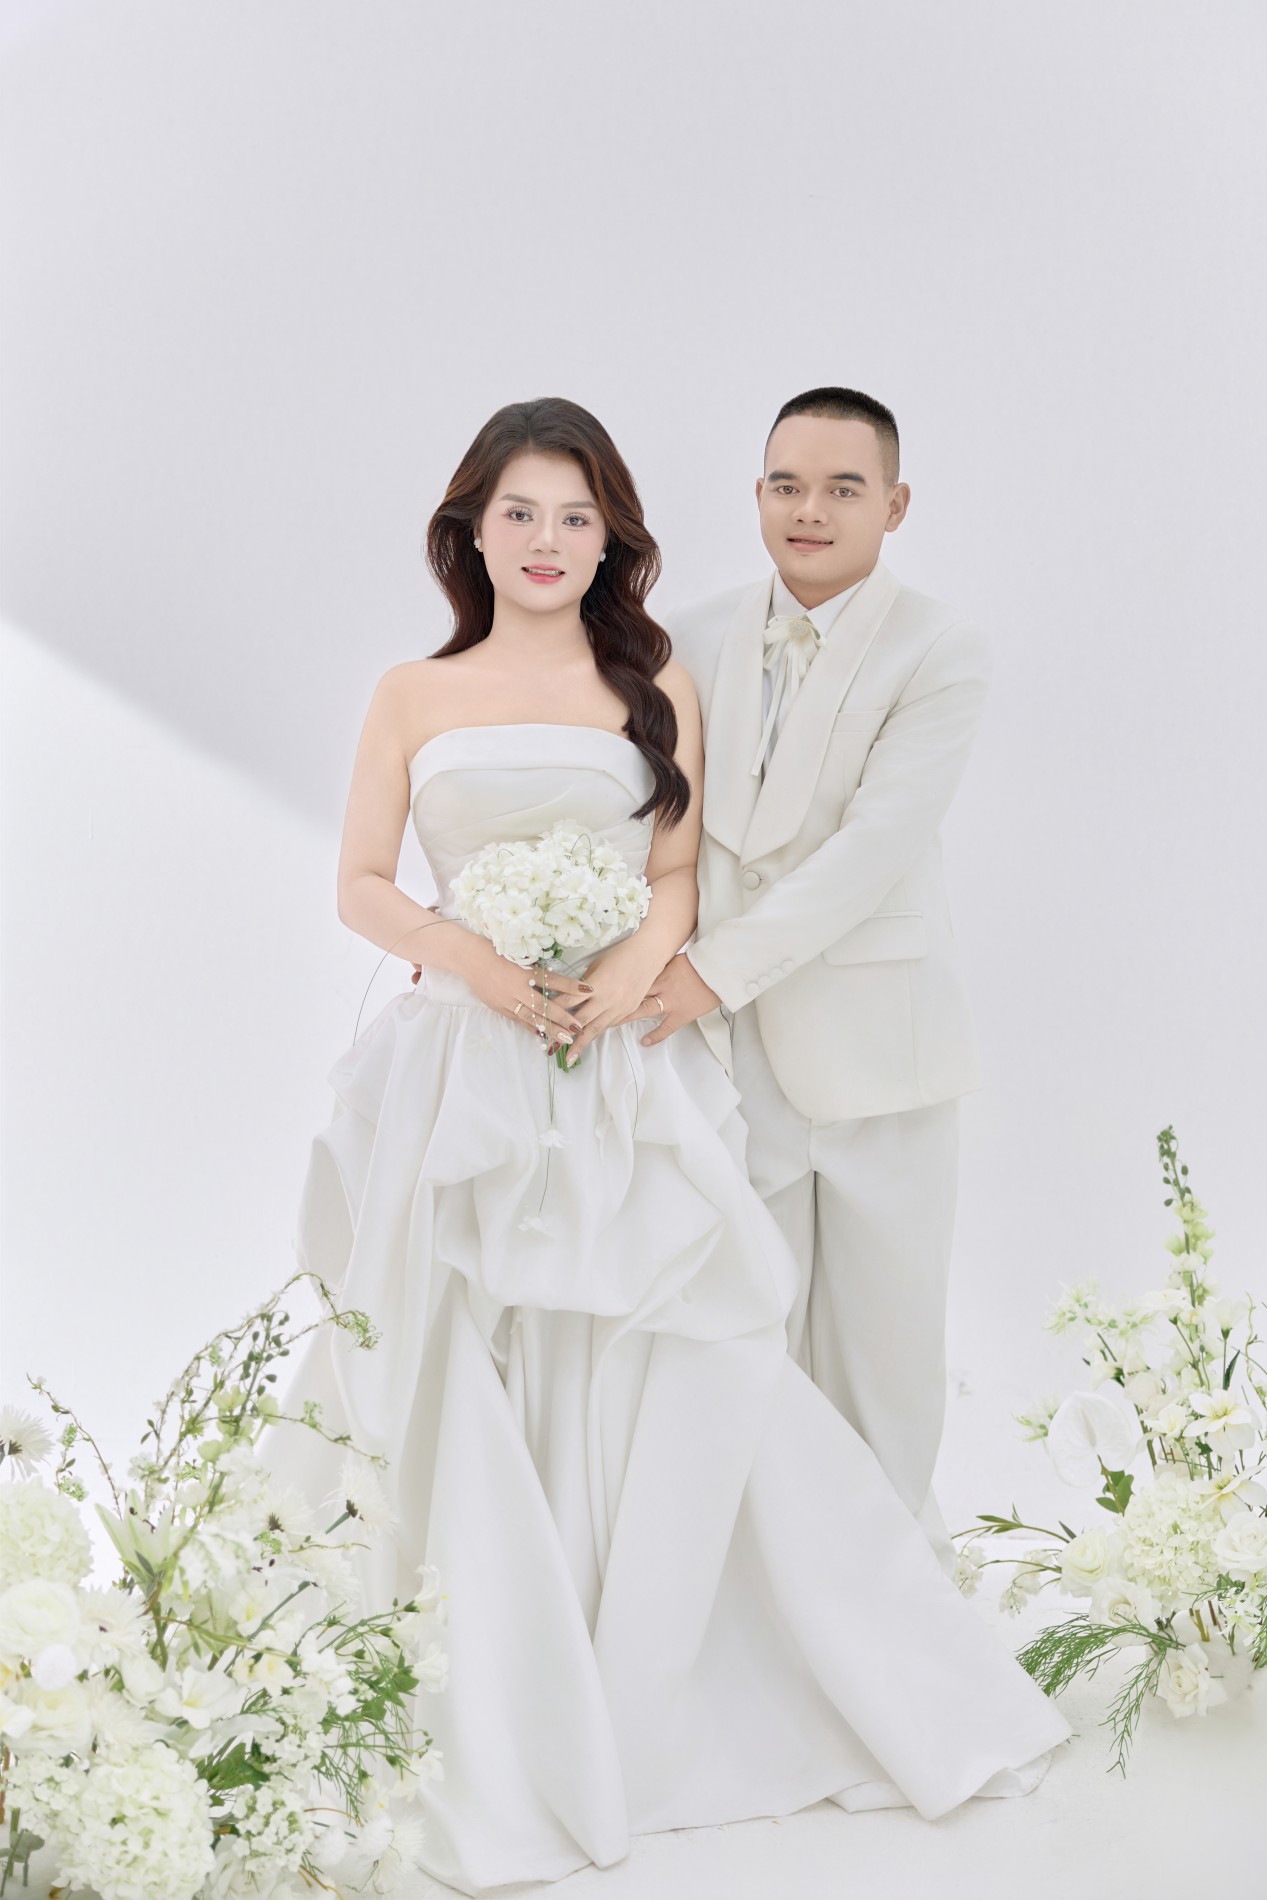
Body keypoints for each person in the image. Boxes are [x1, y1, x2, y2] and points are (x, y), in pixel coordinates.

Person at [270, 397, 1069, 1897]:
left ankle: (666, 1653)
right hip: (465, 1058)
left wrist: (634, 972)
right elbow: (361, 882)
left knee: (673, 1348)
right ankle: (474, 1667)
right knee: (449, 1340)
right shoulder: (409, 691)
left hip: (618, 1057)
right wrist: (476, 961)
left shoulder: (653, 681)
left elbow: (676, 866)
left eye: (576, 517)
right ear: (470, 531)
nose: (547, 540)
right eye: (519, 513)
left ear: (611, 538)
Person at [650, 388, 988, 1574]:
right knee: (743, 1347)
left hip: (878, 1055)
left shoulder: (939, 648)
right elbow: (651, 818)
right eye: (787, 484)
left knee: (887, 1365)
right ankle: (768, 1609)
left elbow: (870, 852)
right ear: (756, 495)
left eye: (844, 487)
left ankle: (898, 1608)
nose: (811, 509)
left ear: (894, 505)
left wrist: (705, 973)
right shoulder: (687, 636)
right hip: (726, 1061)